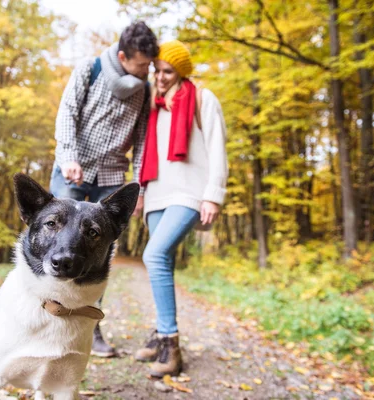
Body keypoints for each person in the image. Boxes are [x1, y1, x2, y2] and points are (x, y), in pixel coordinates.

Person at [50, 21, 159, 358]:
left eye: (150, 66)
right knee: (57, 244)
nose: (147, 71)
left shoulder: (144, 90)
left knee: (98, 256)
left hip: (112, 177)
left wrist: (138, 188)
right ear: (124, 56)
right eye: (142, 64)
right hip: (73, 169)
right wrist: (68, 156)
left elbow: (141, 140)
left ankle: (90, 329)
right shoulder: (90, 69)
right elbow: (67, 111)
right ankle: (48, 324)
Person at [134, 40, 228, 377]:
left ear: (181, 72)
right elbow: (144, 151)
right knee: (163, 263)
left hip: (189, 194)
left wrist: (213, 194)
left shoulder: (202, 98)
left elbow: (217, 148)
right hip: (157, 194)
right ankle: (161, 334)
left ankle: (171, 346)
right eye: (157, 70)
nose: (159, 77)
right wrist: (140, 193)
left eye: (167, 71)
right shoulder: (154, 105)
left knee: (154, 255)